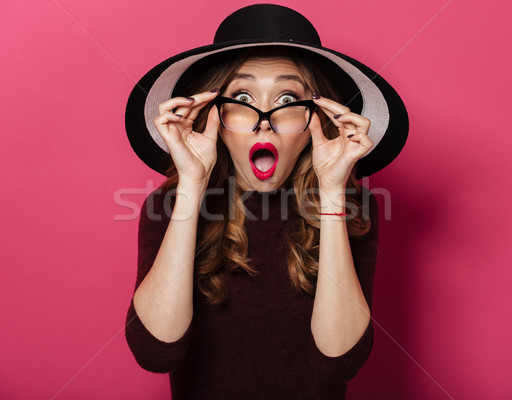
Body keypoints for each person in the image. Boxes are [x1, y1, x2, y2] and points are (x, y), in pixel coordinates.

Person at [124, 4, 408, 399]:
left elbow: (339, 362)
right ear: (213, 115)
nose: (263, 119)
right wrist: (191, 183)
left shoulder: (353, 207)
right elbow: (156, 354)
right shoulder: (169, 205)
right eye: (242, 96)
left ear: (316, 119)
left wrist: (330, 194)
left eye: (288, 98)